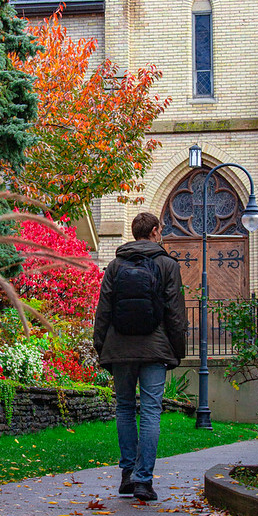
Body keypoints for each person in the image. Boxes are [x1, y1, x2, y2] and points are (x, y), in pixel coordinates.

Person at [93, 212, 187, 501]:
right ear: (155, 231)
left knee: (124, 408)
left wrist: (102, 348)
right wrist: (177, 350)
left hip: (119, 348)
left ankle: (127, 475)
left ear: (134, 232)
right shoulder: (168, 265)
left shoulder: (115, 265)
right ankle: (143, 481)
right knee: (150, 411)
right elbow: (175, 313)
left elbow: (103, 310)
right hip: (155, 348)